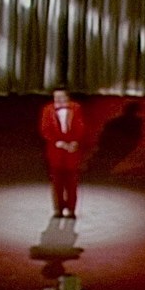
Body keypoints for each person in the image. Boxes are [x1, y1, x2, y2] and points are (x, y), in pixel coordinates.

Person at [40, 86, 88, 219]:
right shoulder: (48, 109)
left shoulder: (76, 108)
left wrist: (75, 142)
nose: (58, 100)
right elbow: (45, 130)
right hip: (55, 151)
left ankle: (71, 210)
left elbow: (80, 126)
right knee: (57, 183)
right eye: (56, 97)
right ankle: (58, 209)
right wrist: (58, 143)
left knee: (72, 183)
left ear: (67, 97)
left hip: (72, 152)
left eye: (61, 97)